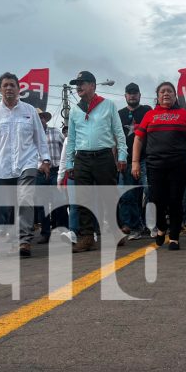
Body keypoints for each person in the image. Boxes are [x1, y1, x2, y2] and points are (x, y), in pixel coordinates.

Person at [0, 72, 51, 257]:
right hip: (3, 168)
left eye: (12, 85)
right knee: (9, 207)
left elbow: (39, 137)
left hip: (27, 162)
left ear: (19, 89)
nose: (9, 88)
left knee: (25, 198)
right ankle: (15, 238)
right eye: (5, 85)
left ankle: (24, 241)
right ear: (0, 89)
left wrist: (45, 159)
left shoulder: (29, 111)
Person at [64, 71, 127, 253]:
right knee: (83, 198)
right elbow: (72, 138)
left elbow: (118, 132)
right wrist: (70, 163)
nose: (78, 87)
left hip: (104, 156)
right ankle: (86, 237)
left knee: (109, 195)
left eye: (82, 83)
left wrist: (122, 155)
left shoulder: (108, 105)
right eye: (77, 84)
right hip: (82, 158)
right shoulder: (75, 110)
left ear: (93, 85)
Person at [132, 81, 186, 250]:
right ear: (158, 97)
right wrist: (135, 162)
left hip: (179, 164)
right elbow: (138, 139)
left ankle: (174, 236)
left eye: (170, 91)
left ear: (175, 96)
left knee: (176, 200)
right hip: (155, 165)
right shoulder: (149, 115)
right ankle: (162, 227)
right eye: (163, 92)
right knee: (156, 199)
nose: (166, 94)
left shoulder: (183, 114)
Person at [117, 83, 151, 241]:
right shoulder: (119, 114)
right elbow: (114, 138)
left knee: (150, 192)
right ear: (125, 96)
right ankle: (136, 227)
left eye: (135, 93)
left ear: (139, 95)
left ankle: (153, 225)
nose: (132, 95)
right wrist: (117, 159)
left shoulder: (147, 111)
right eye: (129, 93)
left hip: (146, 159)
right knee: (129, 196)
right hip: (125, 161)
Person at [35, 109, 66, 244]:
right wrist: (39, 165)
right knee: (42, 204)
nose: (40, 119)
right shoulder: (30, 135)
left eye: (41, 117)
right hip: (40, 172)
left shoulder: (55, 132)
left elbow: (65, 148)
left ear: (45, 119)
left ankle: (62, 230)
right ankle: (45, 233)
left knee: (59, 202)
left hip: (56, 170)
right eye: (37, 117)